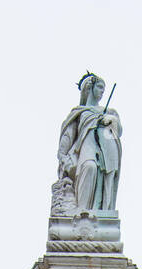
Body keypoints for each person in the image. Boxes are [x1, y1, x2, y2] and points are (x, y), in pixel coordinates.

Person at [57, 73, 122, 214]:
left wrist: (111, 120)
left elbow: (118, 131)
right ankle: (82, 212)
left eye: (104, 89)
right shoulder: (79, 112)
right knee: (89, 167)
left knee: (104, 178)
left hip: (105, 151)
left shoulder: (109, 112)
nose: (102, 92)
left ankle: (98, 212)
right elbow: (68, 137)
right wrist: (63, 157)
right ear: (89, 87)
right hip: (86, 145)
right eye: (99, 87)